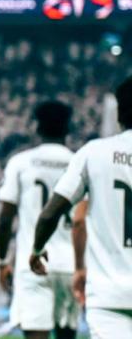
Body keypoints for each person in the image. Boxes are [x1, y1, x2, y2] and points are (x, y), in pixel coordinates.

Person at [31, 76, 132, 339]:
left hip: (109, 296)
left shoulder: (94, 153)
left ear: (120, 114)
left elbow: (51, 213)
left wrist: (37, 249)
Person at [0, 101, 79, 339]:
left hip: (32, 261)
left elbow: (5, 219)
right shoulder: (79, 162)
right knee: (67, 335)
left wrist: (2, 261)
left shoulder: (21, 162)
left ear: (37, 127)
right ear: (68, 128)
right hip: (70, 263)